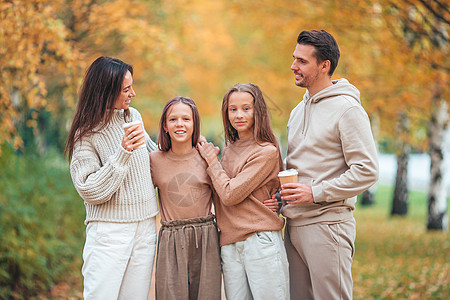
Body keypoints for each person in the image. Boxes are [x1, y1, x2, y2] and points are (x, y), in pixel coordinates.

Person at [268, 30, 379, 300]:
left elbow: (367, 170)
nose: (293, 66)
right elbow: (300, 168)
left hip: (328, 227)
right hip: (293, 227)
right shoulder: (296, 112)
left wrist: (314, 193)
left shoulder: (347, 110)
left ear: (324, 66)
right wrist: (280, 198)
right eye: (294, 58)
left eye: (302, 61)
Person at [65, 56, 159, 299]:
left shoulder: (132, 116)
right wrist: (123, 152)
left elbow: (155, 159)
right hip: (110, 232)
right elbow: (89, 189)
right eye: (126, 89)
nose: (133, 94)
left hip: (145, 227)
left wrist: (191, 148)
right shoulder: (85, 133)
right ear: (106, 92)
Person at [198, 82, 290, 300]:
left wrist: (212, 162)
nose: (239, 115)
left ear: (257, 111)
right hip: (229, 243)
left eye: (246, 108)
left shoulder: (266, 151)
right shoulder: (229, 149)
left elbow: (230, 195)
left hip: (259, 242)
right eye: (233, 109)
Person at [149, 96, 221, 300]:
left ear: (194, 124)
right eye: (173, 120)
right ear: (164, 125)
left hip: (206, 237)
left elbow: (226, 197)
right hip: (171, 238)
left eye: (186, 119)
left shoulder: (208, 157)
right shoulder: (154, 160)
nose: (179, 124)